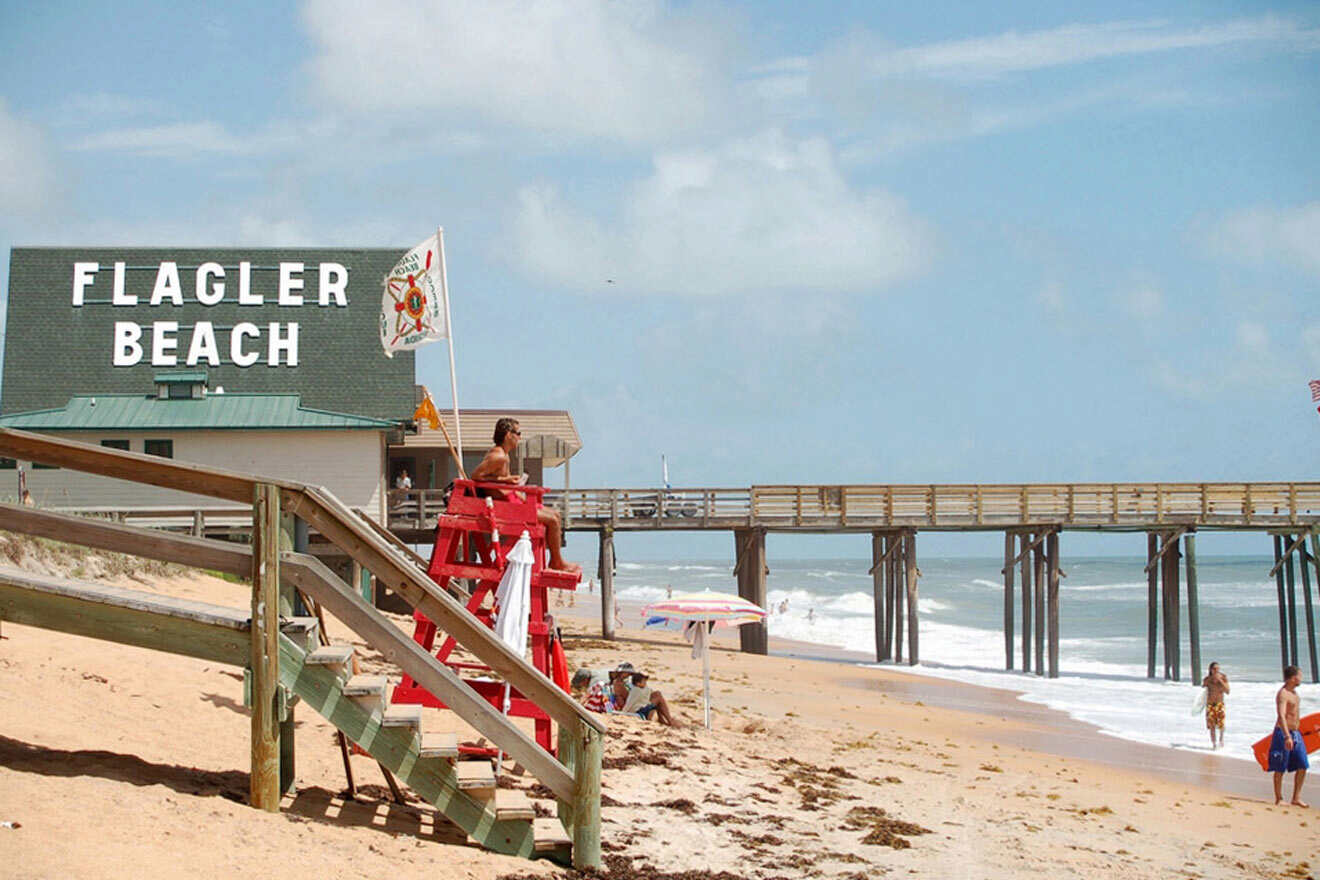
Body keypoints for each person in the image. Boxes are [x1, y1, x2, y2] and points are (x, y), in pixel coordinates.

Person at [470, 417, 580, 575]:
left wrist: (509, 482)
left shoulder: (503, 455)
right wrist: (505, 479)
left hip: (510, 502)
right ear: (508, 435)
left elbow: (490, 479)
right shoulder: (498, 456)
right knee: (553, 520)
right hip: (505, 508)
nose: (520, 438)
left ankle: (556, 560)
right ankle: (556, 562)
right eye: (518, 433)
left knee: (555, 514)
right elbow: (475, 476)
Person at [1268, 665, 1308, 807]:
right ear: (1293, 678)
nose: (1301, 678)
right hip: (1283, 733)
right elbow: (1281, 716)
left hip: (1296, 733)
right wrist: (1286, 736)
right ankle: (1279, 798)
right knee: (1280, 767)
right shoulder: (1283, 694)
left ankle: (1296, 798)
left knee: (1303, 764)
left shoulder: (1295, 694)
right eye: (1300, 676)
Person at [1202, 661, 1230, 749]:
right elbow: (1202, 691)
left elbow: (1228, 691)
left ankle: (1221, 739)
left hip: (1219, 703)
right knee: (1212, 725)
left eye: (1218, 669)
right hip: (1210, 704)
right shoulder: (1207, 679)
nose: (1216, 670)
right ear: (1210, 669)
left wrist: (1220, 681)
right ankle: (1214, 744)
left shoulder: (1223, 677)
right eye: (1214, 669)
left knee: (1221, 724)